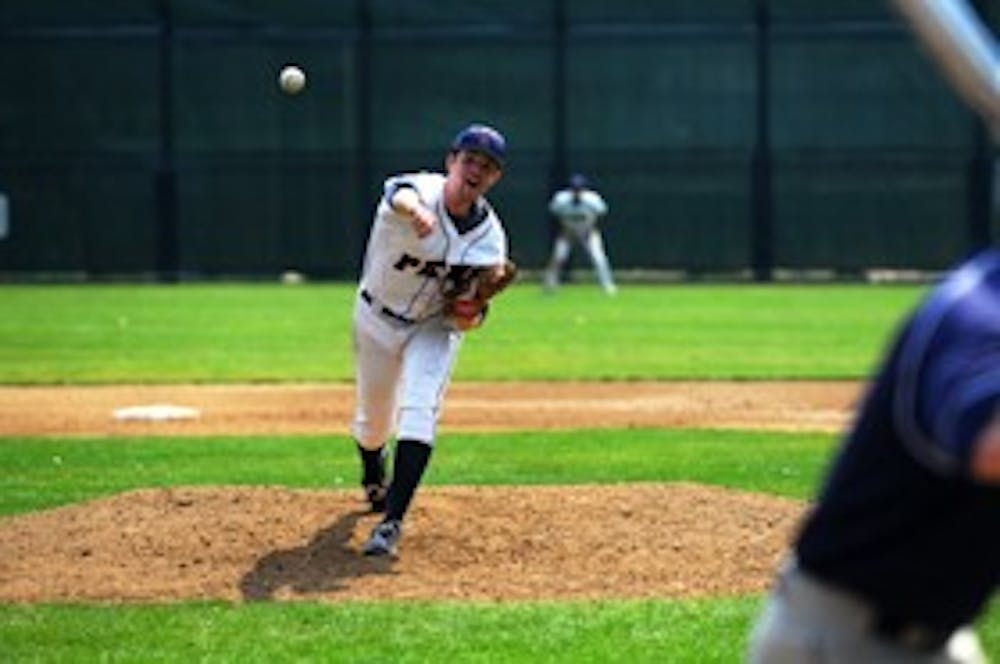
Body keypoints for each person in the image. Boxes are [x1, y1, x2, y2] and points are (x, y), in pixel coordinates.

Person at [350, 123, 516, 557]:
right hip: (376, 318)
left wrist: (473, 310)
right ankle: (373, 471)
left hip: (432, 327)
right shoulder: (420, 192)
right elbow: (395, 192)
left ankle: (391, 523)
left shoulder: (490, 240)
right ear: (451, 162)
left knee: (420, 408)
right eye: (470, 160)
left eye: (488, 166)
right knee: (373, 421)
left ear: (496, 177)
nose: (476, 170)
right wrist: (414, 212)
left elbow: (470, 316)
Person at [543, 173, 617, 295]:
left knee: (599, 259)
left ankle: (608, 286)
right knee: (557, 259)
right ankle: (550, 286)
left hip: (588, 234)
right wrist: (566, 231)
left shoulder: (592, 199)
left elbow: (600, 214)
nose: (576, 191)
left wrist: (589, 229)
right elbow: (556, 215)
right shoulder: (561, 199)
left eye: (579, 188)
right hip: (567, 234)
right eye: (574, 188)